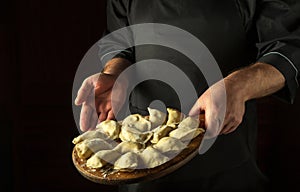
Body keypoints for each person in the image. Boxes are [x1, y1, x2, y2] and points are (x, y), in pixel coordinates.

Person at [74, 0, 300, 191]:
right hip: (139, 157)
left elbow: (290, 46)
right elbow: (121, 39)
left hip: (225, 151)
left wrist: (238, 85)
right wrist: (114, 73)